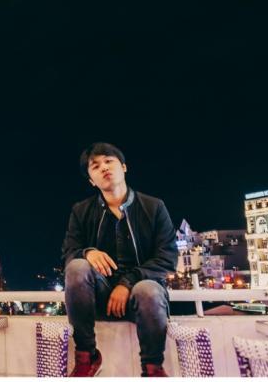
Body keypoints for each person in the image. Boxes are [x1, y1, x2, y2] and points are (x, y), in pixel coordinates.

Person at [61, 142, 177, 377]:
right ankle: (87, 356)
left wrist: (127, 283)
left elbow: (167, 257)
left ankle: (152, 368)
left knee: (148, 290)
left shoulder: (154, 207)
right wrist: (87, 253)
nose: (103, 167)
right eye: (95, 166)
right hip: (100, 298)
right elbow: (68, 253)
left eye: (109, 161)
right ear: (92, 180)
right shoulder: (81, 211)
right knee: (76, 267)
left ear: (124, 167)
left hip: (143, 298)